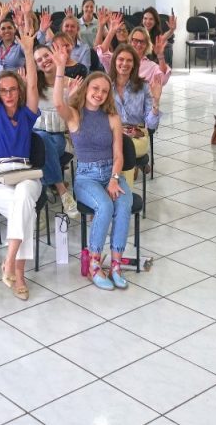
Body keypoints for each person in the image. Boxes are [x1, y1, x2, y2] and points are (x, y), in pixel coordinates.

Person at [0, 17, 44, 300]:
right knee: (24, 210)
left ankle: (9, 260)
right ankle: (19, 274)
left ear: (19, 90)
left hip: (26, 173)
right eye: (3, 91)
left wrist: (28, 51)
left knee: (26, 193)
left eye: (13, 89)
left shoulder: (28, 114)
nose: (8, 94)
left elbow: (34, 87)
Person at [53, 49, 133, 291]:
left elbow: (119, 155)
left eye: (104, 91)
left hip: (111, 172)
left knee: (124, 203)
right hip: (87, 176)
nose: (99, 94)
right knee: (105, 206)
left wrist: (114, 178)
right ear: (86, 89)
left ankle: (116, 263)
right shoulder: (74, 114)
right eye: (95, 89)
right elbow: (58, 103)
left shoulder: (112, 117)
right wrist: (59, 68)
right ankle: (95, 263)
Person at [32, 44, 79, 217]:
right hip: (35, 134)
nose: (44, 61)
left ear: (54, 55)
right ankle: (61, 189)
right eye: (39, 60)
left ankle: (43, 188)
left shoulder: (71, 83)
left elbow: (72, 118)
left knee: (44, 143)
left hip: (59, 135)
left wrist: (72, 99)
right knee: (41, 137)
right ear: (36, 65)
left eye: (46, 56)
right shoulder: (35, 84)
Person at [108, 44, 161, 189]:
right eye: (121, 59)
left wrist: (156, 102)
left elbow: (151, 125)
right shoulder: (105, 85)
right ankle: (115, 196)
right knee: (115, 148)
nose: (124, 64)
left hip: (137, 136)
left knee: (125, 147)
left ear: (134, 65)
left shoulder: (143, 86)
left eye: (129, 61)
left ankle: (124, 196)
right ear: (114, 61)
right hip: (112, 134)